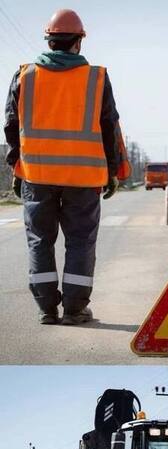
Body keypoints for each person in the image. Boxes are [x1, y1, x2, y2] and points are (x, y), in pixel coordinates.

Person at [4, 9, 128, 325]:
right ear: (78, 43)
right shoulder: (97, 78)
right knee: (81, 241)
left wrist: (17, 165)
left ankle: (47, 309)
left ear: (49, 40)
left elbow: (10, 125)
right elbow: (108, 126)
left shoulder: (24, 76)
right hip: (83, 178)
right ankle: (75, 310)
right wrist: (112, 171)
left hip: (37, 176)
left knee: (39, 240)